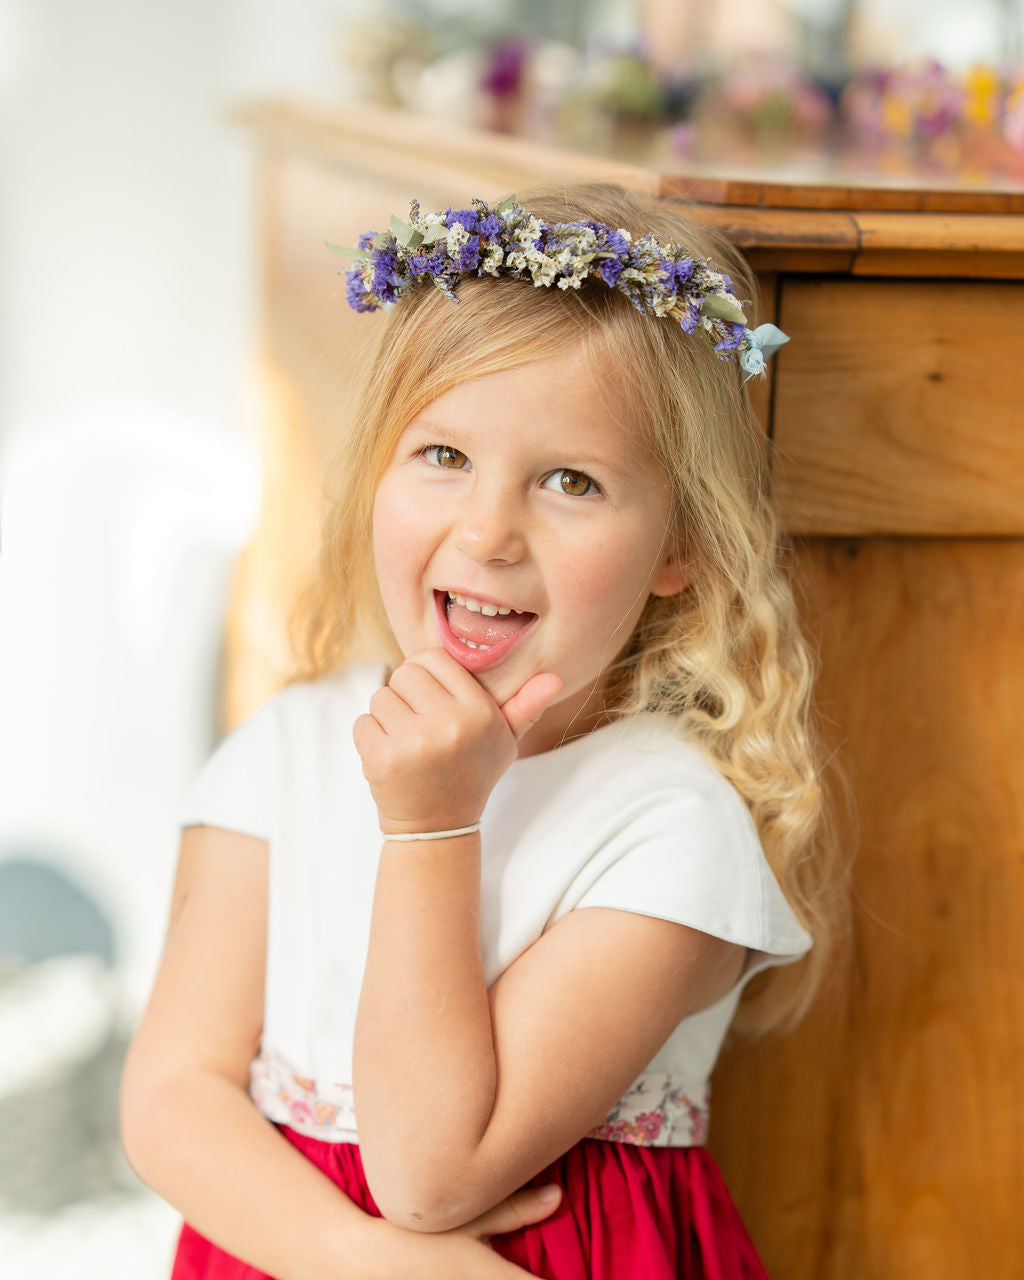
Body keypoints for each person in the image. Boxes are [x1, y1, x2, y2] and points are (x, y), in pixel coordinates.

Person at [120, 182, 845, 1280]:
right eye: (444, 456)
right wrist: (373, 1262)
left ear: (678, 547)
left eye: (570, 479)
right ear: (375, 472)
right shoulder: (287, 749)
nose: (487, 529)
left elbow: (429, 1168)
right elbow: (172, 1094)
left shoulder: (670, 823)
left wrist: (429, 826)